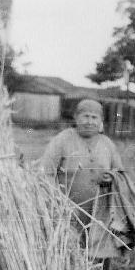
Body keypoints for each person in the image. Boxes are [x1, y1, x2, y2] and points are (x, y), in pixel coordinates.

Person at [39, 98, 124, 229]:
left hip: (100, 217)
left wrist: (112, 177)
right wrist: (58, 202)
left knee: (96, 247)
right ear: (76, 118)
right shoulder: (62, 140)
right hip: (67, 214)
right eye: (85, 116)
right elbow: (46, 174)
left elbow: (120, 175)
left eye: (94, 117)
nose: (90, 122)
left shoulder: (107, 144)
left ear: (101, 121)